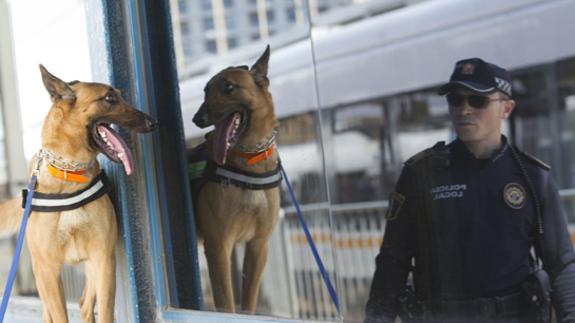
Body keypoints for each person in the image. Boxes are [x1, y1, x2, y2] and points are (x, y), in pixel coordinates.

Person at [364, 58, 575, 322]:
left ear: (506, 108)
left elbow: (561, 263)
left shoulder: (533, 177)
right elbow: (392, 261)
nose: (464, 110)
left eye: (478, 101)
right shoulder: (420, 173)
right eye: (455, 99)